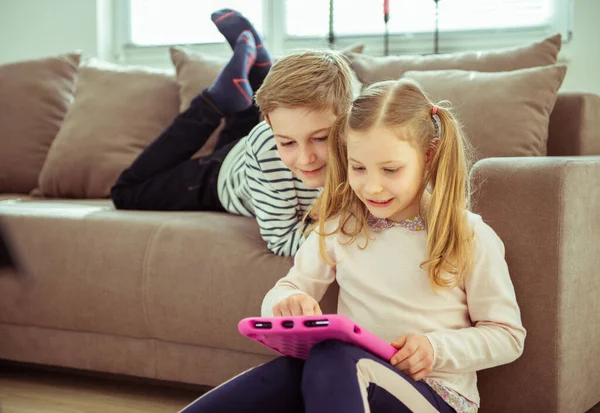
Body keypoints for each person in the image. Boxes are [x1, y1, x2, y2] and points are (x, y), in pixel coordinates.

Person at [178, 79, 526, 413]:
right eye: (359, 168)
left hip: (434, 396)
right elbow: (290, 285)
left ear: (429, 156)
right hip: (349, 380)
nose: (372, 187)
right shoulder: (338, 228)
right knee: (290, 371)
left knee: (333, 354)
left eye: (390, 170)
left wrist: (435, 349)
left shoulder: (469, 235)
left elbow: (507, 335)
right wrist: (287, 302)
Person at [111, 9, 355, 256]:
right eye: (288, 142)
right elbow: (284, 242)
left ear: (348, 124)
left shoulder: (362, 143)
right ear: (270, 123)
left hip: (248, 153)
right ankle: (214, 102)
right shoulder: (267, 149)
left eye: (320, 138)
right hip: (221, 176)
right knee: (126, 191)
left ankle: (256, 72)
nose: (305, 158)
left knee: (249, 138)